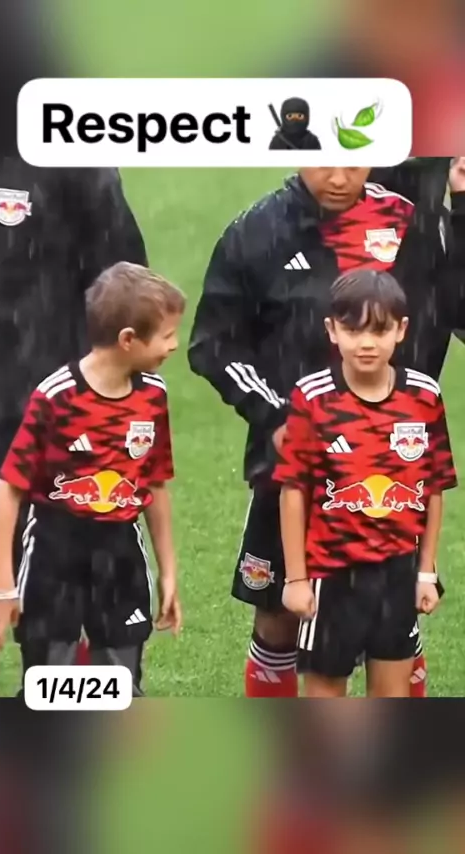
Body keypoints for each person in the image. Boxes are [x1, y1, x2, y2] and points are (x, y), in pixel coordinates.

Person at [188, 159, 465, 699]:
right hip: (295, 467)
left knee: (395, 628)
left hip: (392, 471)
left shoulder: (407, 222)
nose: (339, 177)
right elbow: (212, 344)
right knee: (279, 617)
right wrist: (276, 415)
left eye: (353, 162)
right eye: (324, 163)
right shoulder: (258, 231)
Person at [0, 162, 148, 695]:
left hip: (49, 422)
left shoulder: (70, 161)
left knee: (61, 593)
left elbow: (124, 289)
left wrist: (98, 403)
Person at [0, 262, 184, 694]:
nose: (174, 345)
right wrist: (2, 585)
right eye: (167, 335)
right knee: (49, 685)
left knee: (121, 686)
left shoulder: (153, 395)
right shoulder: (55, 396)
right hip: (54, 550)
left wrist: (168, 571)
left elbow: (155, 483)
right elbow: (8, 489)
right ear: (128, 340)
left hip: (121, 551)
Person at [273, 270, 456, 697]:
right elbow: (293, 490)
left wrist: (425, 571)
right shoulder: (312, 398)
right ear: (332, 330)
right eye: (353, 330)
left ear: (401, 330)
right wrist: (296, 580)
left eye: (380, 330)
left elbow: (433, 489)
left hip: (397, 575)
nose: (367, 343)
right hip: (330, 575)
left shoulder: (424, 397)